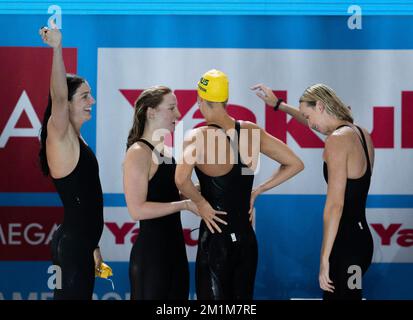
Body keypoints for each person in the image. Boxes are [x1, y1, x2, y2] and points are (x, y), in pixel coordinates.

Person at [175, 70, 304, 300]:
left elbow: (180, 180)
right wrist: (258, 190)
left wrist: (201, 203)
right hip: (246, 240)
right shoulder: (251, 131)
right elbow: (295, 163)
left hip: (215, 242)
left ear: (200, 100)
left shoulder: (197, 136)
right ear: (225, 101)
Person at [251, 83, 375, 300]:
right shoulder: (361, 134)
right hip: (361, 241)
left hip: (345, 246)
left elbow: (335, 206)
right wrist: (279, 105)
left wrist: (324, 258)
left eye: (308, 116)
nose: (308, 124)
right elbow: (315, 122)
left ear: (320, 106)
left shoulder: (337, 141)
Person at [38, 23, 104, 300]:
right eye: (85, 96)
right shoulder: (60, 132)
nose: (93, 100)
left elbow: (87, 200)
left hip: (81, 245)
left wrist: (93, 245)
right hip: (72, 247)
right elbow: (58, 96)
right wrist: (57, 50)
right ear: (68, 104)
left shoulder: (77, 138)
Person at [123, 86, 200, 300]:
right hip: (152, 256)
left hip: (175, 252)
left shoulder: (166, 152)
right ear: (151, 112)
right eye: (172, 108)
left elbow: (171, 195)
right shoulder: (138, 152)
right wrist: (184, 205)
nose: (178, 114)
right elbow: (136, 210)